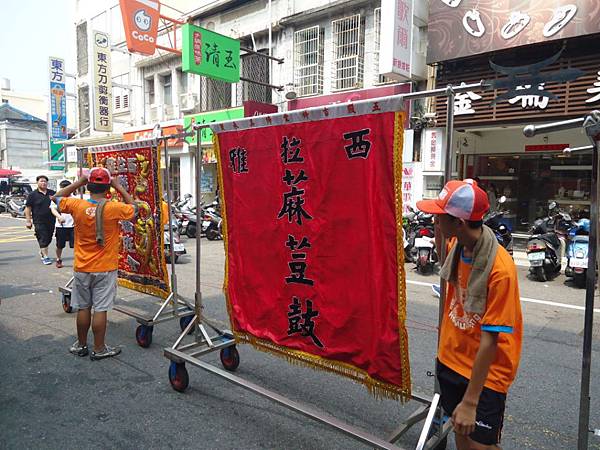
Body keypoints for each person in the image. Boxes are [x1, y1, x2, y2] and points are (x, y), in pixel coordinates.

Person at [416, 179, 522, 450]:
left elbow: (491, 340)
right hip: (452, 360)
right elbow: (440, 248)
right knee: (462, 438)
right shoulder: (458, 248)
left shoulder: (500, 269)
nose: (435, 221)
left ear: (459, 224)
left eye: (439, 217)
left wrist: (472, 401)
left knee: (480, 446)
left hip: (485, 374)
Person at [53, 168, 137, 361]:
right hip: (105, 268)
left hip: (82, 267)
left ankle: (81, 345)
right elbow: (135, 208)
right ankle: (99, 349)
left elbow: (55, 197)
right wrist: (119, 187)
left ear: (88, 185)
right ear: (107, 188)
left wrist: (78, 182)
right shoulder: (114, 207)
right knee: (100, 309)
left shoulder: (76, 204)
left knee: (83, 308)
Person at [25, 175, 56, 265]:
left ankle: (42, 251)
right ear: (37, 183)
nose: (43, 183)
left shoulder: (52, 193)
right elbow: (28, 208)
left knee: (49, 238)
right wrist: (28, 220)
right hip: (38, 220)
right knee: (43, 237)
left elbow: (59, 204)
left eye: (45, 181)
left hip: (51, 219)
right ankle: (45, 256)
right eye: (41, 181)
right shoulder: (32, 195)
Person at [50, 180, 75, 268]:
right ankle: (58, 259)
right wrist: (59, 217)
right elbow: (53, 209)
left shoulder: (75, 198)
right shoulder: (57, 198)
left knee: (76, 245)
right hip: (61, 226)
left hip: (73, 225)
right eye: (63, 188)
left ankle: (79, 260)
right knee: (60, 245)